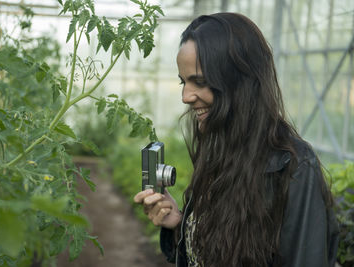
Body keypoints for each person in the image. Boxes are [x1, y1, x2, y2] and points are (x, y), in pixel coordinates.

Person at [133, 12, 339, 267]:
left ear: (239, 81)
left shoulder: (293, 167)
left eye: (199, 81)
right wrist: (180, 226)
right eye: (183, 82)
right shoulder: (220, 143)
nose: (186, 96)